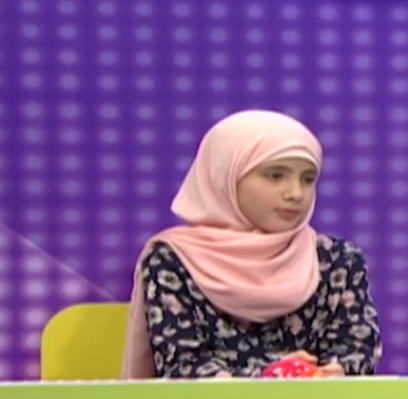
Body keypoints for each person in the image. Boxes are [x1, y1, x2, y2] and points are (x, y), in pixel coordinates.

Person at [120, 110, 383, 379]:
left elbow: (357, 348)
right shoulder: (173, 259)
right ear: (227, 177)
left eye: (307, 179)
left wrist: (334, 371)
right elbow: (182, 363)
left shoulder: (337, 260)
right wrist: (267, 375)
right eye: (275, 176)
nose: (296, 193)